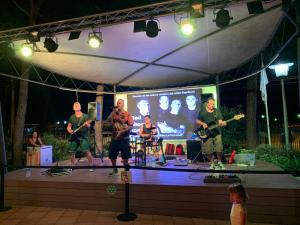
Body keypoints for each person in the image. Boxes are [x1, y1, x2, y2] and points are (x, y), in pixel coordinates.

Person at [196, 97, 226, 169]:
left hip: (216, 132)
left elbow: (220, 121)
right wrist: (202, 123)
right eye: (211, 104)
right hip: (206, 133)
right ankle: (212, 163)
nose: (212, 105)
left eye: (213, 104)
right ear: (207, 104)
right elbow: (197, 121)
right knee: (208, 150)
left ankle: (219, 162)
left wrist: (222, 123)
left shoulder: (216, 111)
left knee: (219, 147)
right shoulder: (202, 112)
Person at [107, 99, 134, 175]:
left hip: (124, 138)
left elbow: (131, 126)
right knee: (112, 154)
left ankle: (126, 170)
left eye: (120, 103)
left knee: (125, 156)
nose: (118, 104)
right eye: (117, 103)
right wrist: (113, 113)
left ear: (123, 104)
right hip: (114, 138)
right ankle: (114, 169)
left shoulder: (127, 114)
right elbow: (107, 121)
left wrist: (122, 131)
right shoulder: (113, 113)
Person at [67, 102, 94, 171]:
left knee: (87, 151)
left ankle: (91, 165)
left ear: (80, 107)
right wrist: (69, 130)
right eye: (75, 105)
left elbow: (89, 126)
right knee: (71, 151)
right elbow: (69, 126)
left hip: (83, 137)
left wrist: (87, 125)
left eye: (78, 105)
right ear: (73, 108)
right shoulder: (72, 117)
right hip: (74, 137)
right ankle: (72, 165)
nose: (76, 106)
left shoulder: (85, 116)